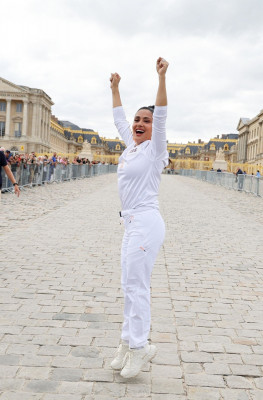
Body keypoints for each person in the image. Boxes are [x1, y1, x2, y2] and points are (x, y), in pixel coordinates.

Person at [109, 57, 169, 379]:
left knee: (138, 286)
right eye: (137, 119)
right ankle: (126, 341)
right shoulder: (131, 146)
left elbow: (161, 119)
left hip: (146, 222)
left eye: (146, 119)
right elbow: (119, 118)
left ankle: (140, 346)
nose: (139, 123)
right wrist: (116, 88)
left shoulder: (154, 149)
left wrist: (161, 79)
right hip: (130, 223)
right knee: (128, 284)